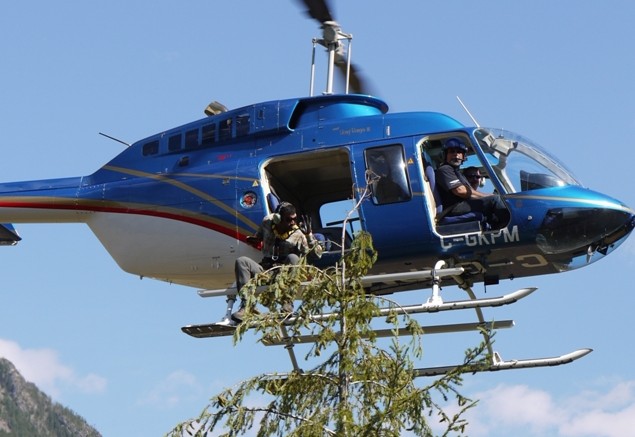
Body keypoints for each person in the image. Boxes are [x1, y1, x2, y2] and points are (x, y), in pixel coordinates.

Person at [230, 201, 321, 323]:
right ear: (278, 219)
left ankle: (287, 303)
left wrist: (309, 235)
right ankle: (246, 306)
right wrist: (254, 239)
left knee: (293, 258)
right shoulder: (268, 222)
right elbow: (259, 235)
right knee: (242, 261)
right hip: (265, 271)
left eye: (294, 219)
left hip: (283, 274)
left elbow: (317, 254)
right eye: (289, 220)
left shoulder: (298, 233)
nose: (293, 222)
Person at [435, 138, 509, 228]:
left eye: (459, 152)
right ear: (445, 155)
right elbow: (460, 191)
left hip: (461, 205)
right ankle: (510, 227)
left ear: (463, 156)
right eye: (451, 151)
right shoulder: (445, 169)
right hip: (453, 208)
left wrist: (486, 196)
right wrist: (487, 196)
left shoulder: (457, 173)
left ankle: (497, 228)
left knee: (494, 206)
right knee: (494, 200)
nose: (455, 154)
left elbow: (469, 191)